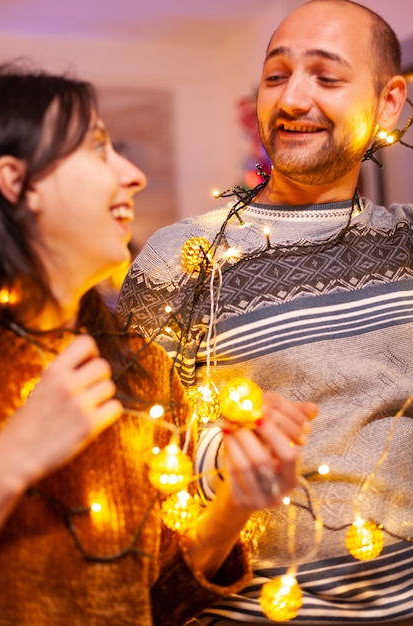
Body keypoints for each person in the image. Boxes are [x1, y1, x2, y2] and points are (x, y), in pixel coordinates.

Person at [117, 0, 413, 624]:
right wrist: (223, 460)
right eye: (276, 76)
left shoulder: (407, 242)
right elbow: (131, 459)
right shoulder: (183, 257)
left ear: (390, 101)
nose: (292, 101)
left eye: (327, 79)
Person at [0, 64, 316, 626]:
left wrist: (236, 502)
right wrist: (14, 459)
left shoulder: (142, 370)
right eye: (97, 148)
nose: (134, 176)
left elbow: (157, 603)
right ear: (16, 181)